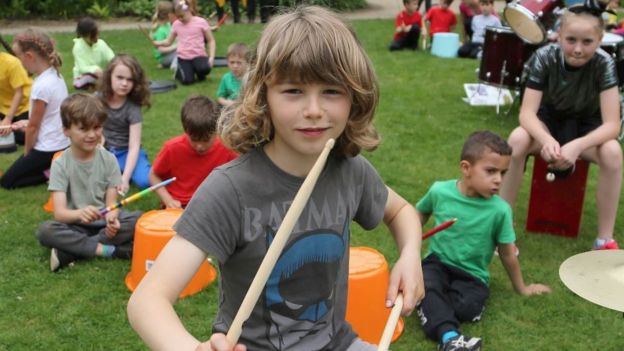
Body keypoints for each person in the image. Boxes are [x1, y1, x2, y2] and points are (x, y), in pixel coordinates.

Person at [128, 6, 425, 351]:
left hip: (336, 343)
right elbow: (147, 301)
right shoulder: (230, 190)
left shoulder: (348, 171)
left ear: (354, 97)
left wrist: (410, 254)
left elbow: (400, 211)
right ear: (263, 96)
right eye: (293, 91)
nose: (314, 109)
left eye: (331, 91)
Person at [500, 4, 622, 251]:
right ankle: (501, 226)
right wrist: (545, 139)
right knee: (517, 139)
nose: (578, 49)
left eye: (587, 41)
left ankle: (604, 239)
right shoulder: (545, 56)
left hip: (587, 129)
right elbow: (526, 114)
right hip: (548, 124)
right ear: (558, 35)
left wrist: (577, 146)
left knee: (612, 152)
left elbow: (612, 125)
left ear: (600, 40)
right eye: (571, 40)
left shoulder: (604, 63)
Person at [416, 131, 552, 351]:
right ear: (466, 168)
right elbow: (418, 214)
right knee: (426, 284)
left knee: (465, 308)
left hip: (472, 275)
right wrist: (410, 242)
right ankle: (449, 337)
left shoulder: (501, 211)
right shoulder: (439, 191)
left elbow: (508, 254)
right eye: (491, 171)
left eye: (503, 173)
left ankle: (432, 307)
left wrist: (522, 288)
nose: (498, 180)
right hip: (437, 263)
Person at [36, 93, 141, 272]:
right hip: (75, 225)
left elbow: (111, 203)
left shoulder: (109, 159)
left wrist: (112, 218)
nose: (92, 135)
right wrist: (80, 214)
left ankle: (70, 252)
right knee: (45, 230)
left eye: (97, 127)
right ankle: (110, 250)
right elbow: (60, 214)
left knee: (139, 219)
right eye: (84, 129)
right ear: (66, 130)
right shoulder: (60, 163)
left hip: (103, 224)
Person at [0, 28, 70, 189]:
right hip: (61, 142)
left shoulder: (41, 85)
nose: (18, 62)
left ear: (29, 57)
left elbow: (33, 127)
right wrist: (26, 122)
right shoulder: (55, 75)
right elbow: (49, 115)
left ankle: (53, 172)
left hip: (49, 148)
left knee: (7, 182)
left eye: (19, 58)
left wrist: (27, 153)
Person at [149, 95, 238, 208]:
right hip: (179, 205)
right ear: (185, 130)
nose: (199, 146)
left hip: (211, 204)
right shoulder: (172, 148)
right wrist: (168, 200)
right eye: (194, 140)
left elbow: (239, 177)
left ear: (217, 130)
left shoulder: (226, 148)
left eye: (205, 140)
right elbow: (153, 175)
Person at [98, 54, 152, 193]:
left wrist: (125, 179)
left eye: (130, 80)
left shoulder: (133, 107)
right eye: (120, 78)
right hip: (104, 151)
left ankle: (125, 170)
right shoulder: (98, 100)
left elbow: (134, 145)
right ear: (109, 76)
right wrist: (100, 146)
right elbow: (91, 129)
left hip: (127, 152)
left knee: (145, 181)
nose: (124, 83)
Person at [153, 0, 216, 85]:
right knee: (187, 81)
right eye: (178, 17)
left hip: (199, 55)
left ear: (189, 10)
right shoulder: (176, 24)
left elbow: (211, 40)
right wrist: (158, 43)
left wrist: (211, 57)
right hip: (184, 57)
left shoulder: (201, 22)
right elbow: (168, 41)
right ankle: (181, 71)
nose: (180, 19)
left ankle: (198, 71)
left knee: (204, 69)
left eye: (182, 16)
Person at [72, 17, 115, 90]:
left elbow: (112, 58)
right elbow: (82, 68)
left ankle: (100, 87)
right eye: (93, 35)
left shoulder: (101, 44)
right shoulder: (78, 47)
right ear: (83, 35)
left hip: (98, 75)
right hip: (82, 76)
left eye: (97, 34)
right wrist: (95, 69)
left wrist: (115, 65)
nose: (96, 37)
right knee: (86, 79)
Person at [0, 47, 31, 147]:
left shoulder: (11, 63)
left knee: (22, 137)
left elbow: (19, 93)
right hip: (3, 108)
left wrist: (8, 119)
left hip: (24, 106)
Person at [216, 43, 248, 107]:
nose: (235, 66)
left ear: (247, 63)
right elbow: (220, 98)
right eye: (232, 62)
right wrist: (227, 102)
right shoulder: (226, 78)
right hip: (230, 108)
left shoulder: (250, 78)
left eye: (239, 63)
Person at [151, 1, 177, 69]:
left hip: (171, 53)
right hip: (164, 58)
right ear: (169, 15)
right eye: (173, 13)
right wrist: (176, 46)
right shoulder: (160, 30)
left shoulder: (168, 25)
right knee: (181, 54)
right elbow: (161, 50)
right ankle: (174, 66)